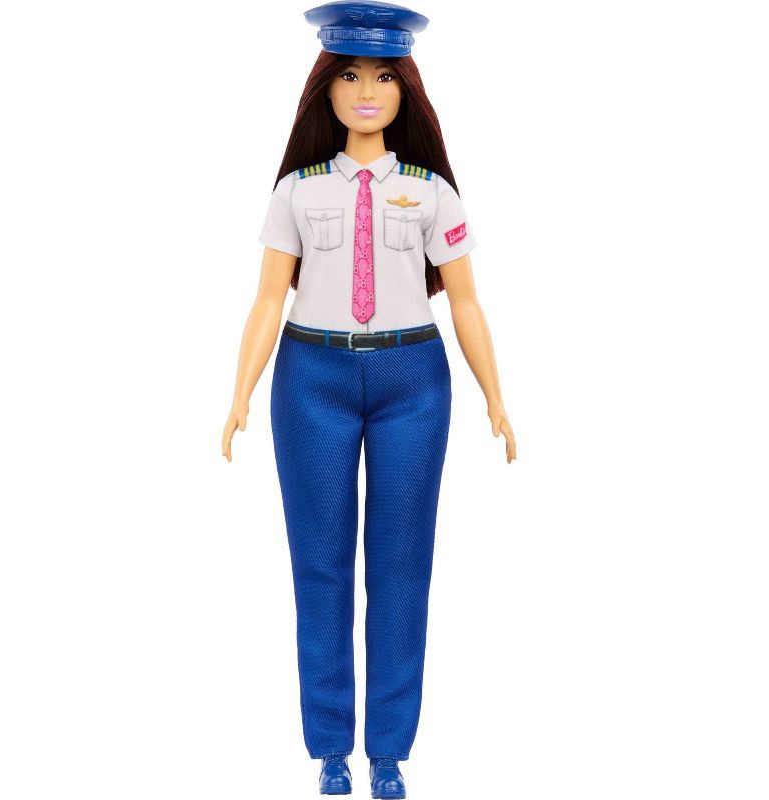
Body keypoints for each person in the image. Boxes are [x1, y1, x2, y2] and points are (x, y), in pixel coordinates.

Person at [221, 2, 517, 796]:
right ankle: (330, 749)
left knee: (401, 565)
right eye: (349, 75)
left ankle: (388, 750)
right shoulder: (297, 190)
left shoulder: (431, 192)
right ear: (324, 85)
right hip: (310, 378)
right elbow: (268, 298)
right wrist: (241, 391)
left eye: (384, 77)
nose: (365, 92)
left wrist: (494, 396)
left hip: (411, 380)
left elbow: (465, 301)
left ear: (405, 90)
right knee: (319, 565)